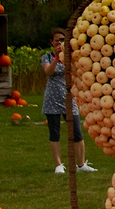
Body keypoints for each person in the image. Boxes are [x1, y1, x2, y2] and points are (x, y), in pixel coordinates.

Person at [41, 28, 95, 174]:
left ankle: (81, 164)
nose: (59, 42)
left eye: (62, 40)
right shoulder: (46, 57)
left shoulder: (72, 57)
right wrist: (57, 57)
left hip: (70, 99)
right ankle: (59, 165)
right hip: (52, 99)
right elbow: (48, 72)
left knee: (77, 132)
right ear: (51, 42)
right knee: (54, 133)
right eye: (57, 39)